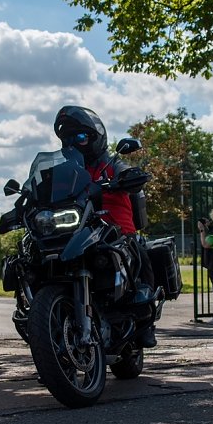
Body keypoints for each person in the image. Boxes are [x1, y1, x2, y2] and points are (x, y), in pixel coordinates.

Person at [53, 105, 157, 348]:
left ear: (95, 136)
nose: (75, 142)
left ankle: (146, 321)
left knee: (140, 255)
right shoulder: (64, 171)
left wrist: (130, 175)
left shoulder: (111, 163)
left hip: (116, 230)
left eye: (80, 136)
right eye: (68, 138)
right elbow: (42, 189)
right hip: (77, 233)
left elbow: (127, 172)